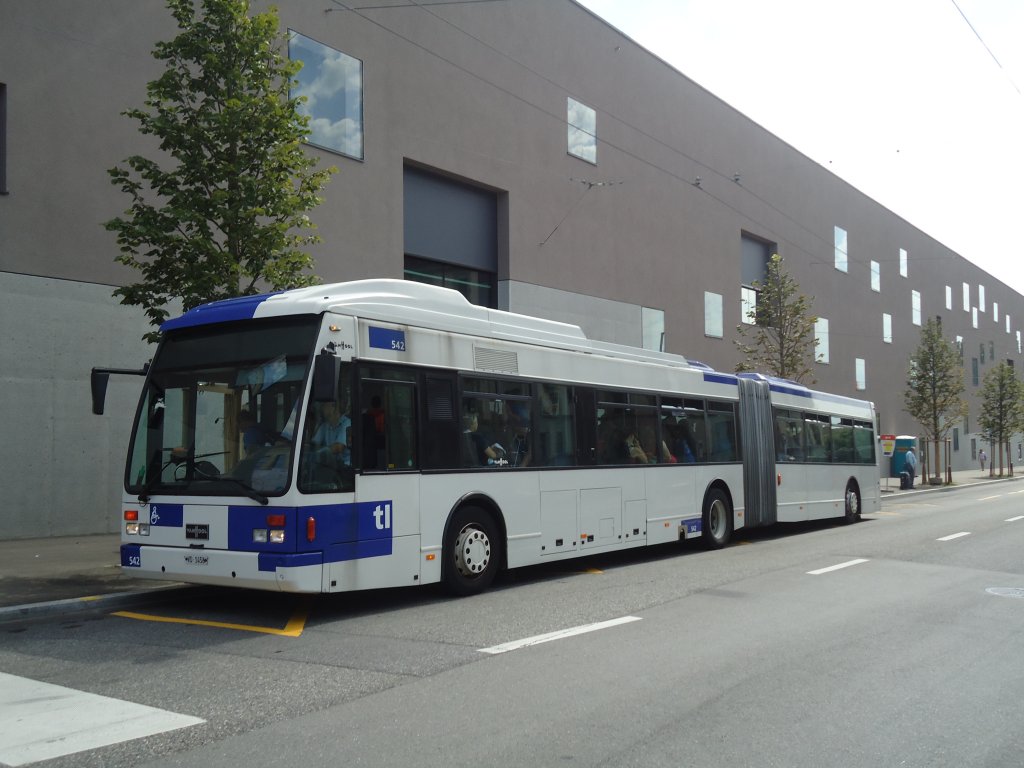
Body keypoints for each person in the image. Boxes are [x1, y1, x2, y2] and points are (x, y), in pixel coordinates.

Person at [311, 400, 351, 466]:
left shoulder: (347, 423)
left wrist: (317, 453)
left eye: (324, 406)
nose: (321, 408)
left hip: (346, 467)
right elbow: (314, 444)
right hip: (331, 465)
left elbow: (338, 447)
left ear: (333, 406)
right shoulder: (325, 425)